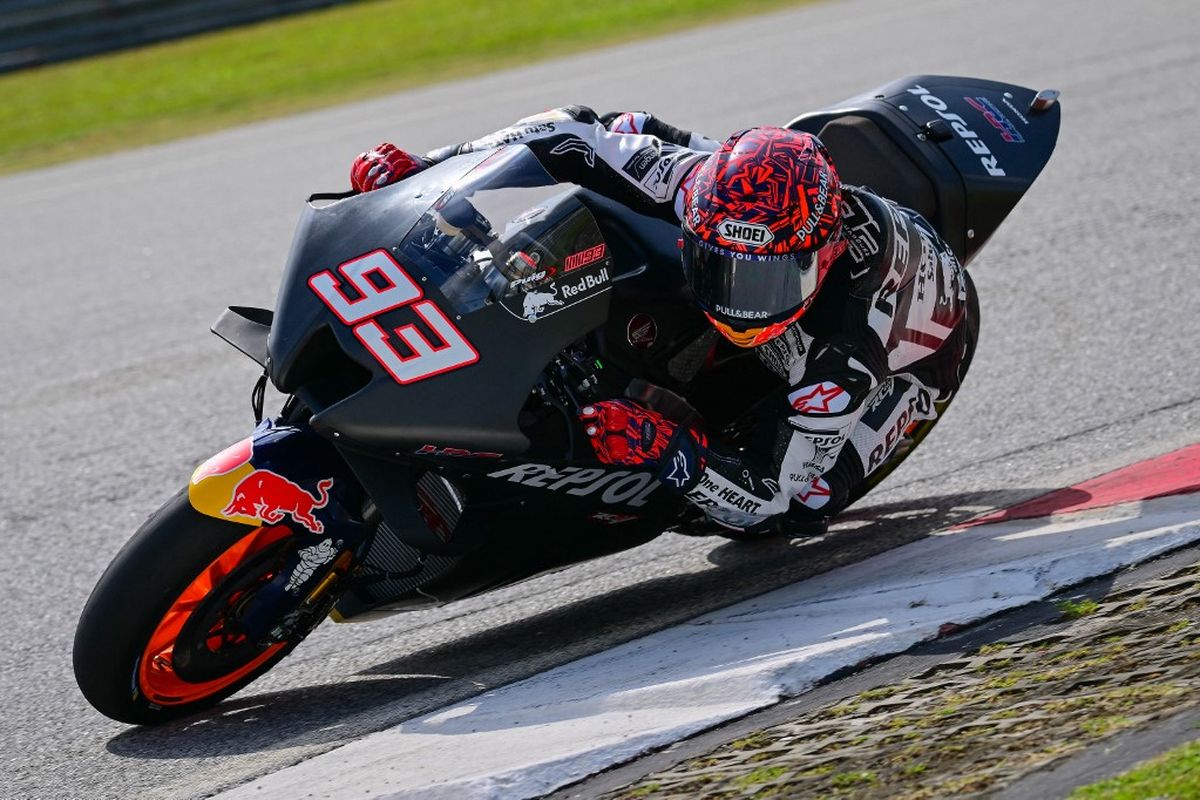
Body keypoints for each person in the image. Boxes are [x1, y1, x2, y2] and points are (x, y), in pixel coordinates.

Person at [349, 106, 978, 536]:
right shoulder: (696, 186)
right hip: (766, 222)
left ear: (822, 256)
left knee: (796, 507)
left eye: (759, 282)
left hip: (916, 362)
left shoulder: (845, 355)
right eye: (718, 264)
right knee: (622, 156)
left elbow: (769, 499)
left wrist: (669, 448)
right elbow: (568, 133)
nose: (736, 298)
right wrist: (425, 165)